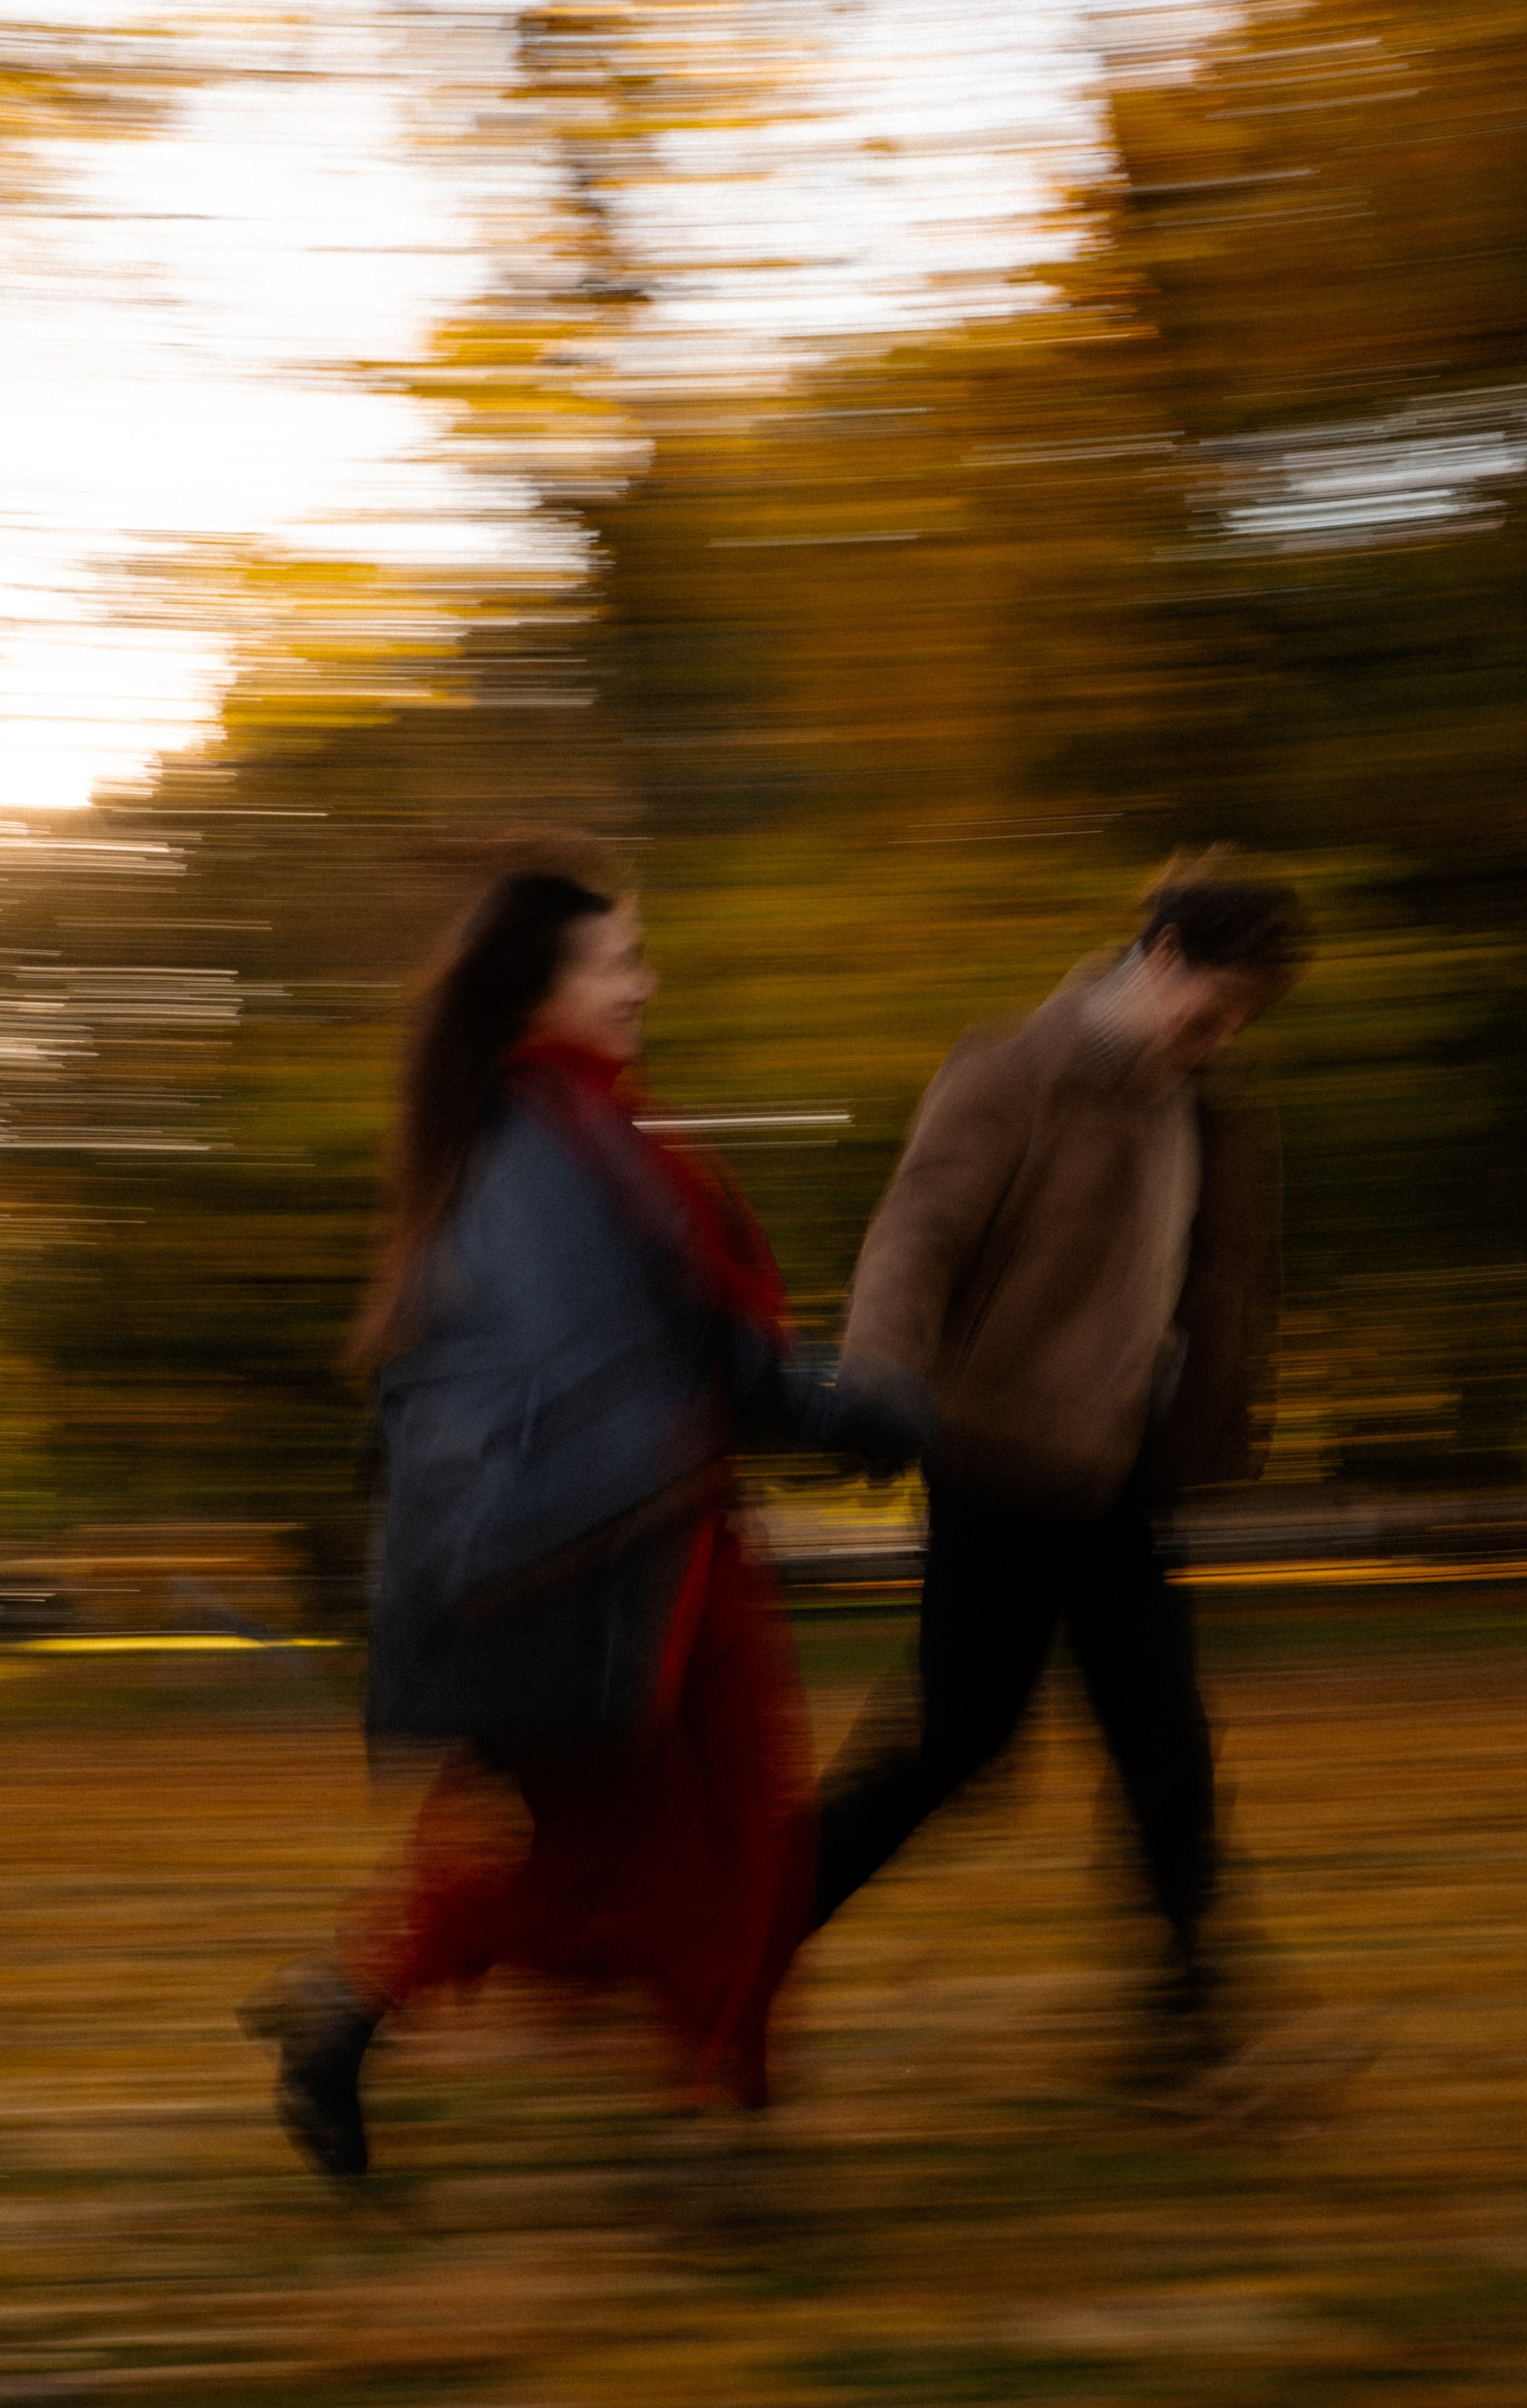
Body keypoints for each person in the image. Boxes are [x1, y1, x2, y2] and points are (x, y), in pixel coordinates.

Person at [243, 860, 928, 2176]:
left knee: (658, 1853)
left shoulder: (548, 1136)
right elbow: (689, 1360)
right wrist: (863, 1419)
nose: (643, 983)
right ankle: (713, 2117)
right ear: (539, 988)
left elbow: (665, 1357)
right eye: (617, 962)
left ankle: (376, 2012)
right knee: (699, 1853)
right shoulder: (561, 1147)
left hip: (617, 1554)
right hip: (626, 1562)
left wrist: (841, 1417)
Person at [816, 862, 1307, 2065]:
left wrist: (1213, 1424)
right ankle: (736, 1938)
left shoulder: (1206, 1103)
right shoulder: (1015, 1073)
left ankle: (1193, 2016)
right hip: (1000, 1458)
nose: (1222, 1036)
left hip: (1121, 1468)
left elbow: (1216, 1281)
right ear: (1162, 955)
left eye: (1245, 1018)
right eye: (1215, 1008)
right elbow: (915, 1234)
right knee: (958, 1745)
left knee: (1163, 1740)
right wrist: (880, 1380)